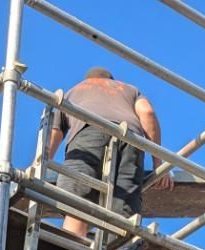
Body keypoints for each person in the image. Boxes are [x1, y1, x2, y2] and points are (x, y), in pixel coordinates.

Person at [47, 66, 174, 238]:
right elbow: (148, 113)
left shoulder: (73, 92)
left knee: (75, 204)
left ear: (87, 80)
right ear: (112, 80)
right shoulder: (130, 90)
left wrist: (42, 162)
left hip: (88, 132)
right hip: (130, 139)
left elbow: (54, 132)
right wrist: (159, 163)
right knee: (123, 214)